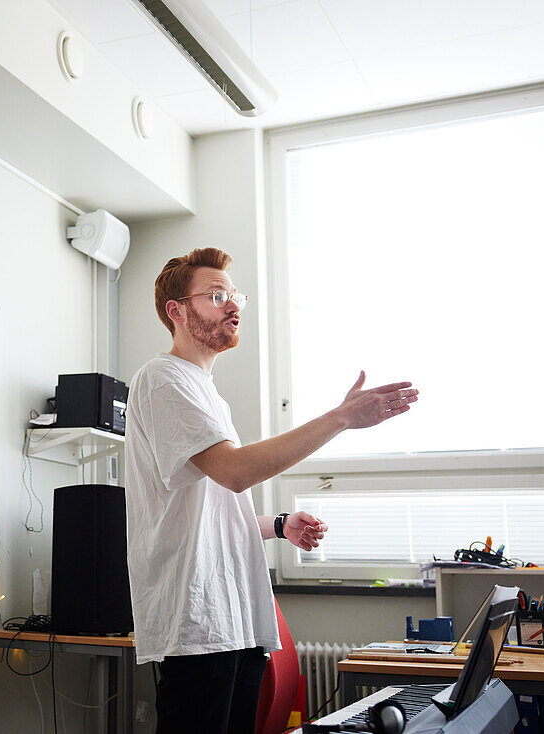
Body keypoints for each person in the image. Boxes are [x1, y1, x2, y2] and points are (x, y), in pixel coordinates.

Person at [124, 248, 419, 734]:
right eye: (216, 295)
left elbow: (211, 509)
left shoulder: (206, 391)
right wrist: (340, 418)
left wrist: (277, 526)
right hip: (197, 621)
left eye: (233, 295)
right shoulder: (162, 379)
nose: (232, 305)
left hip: (234, 617)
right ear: (176, 310)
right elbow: (235, 472)